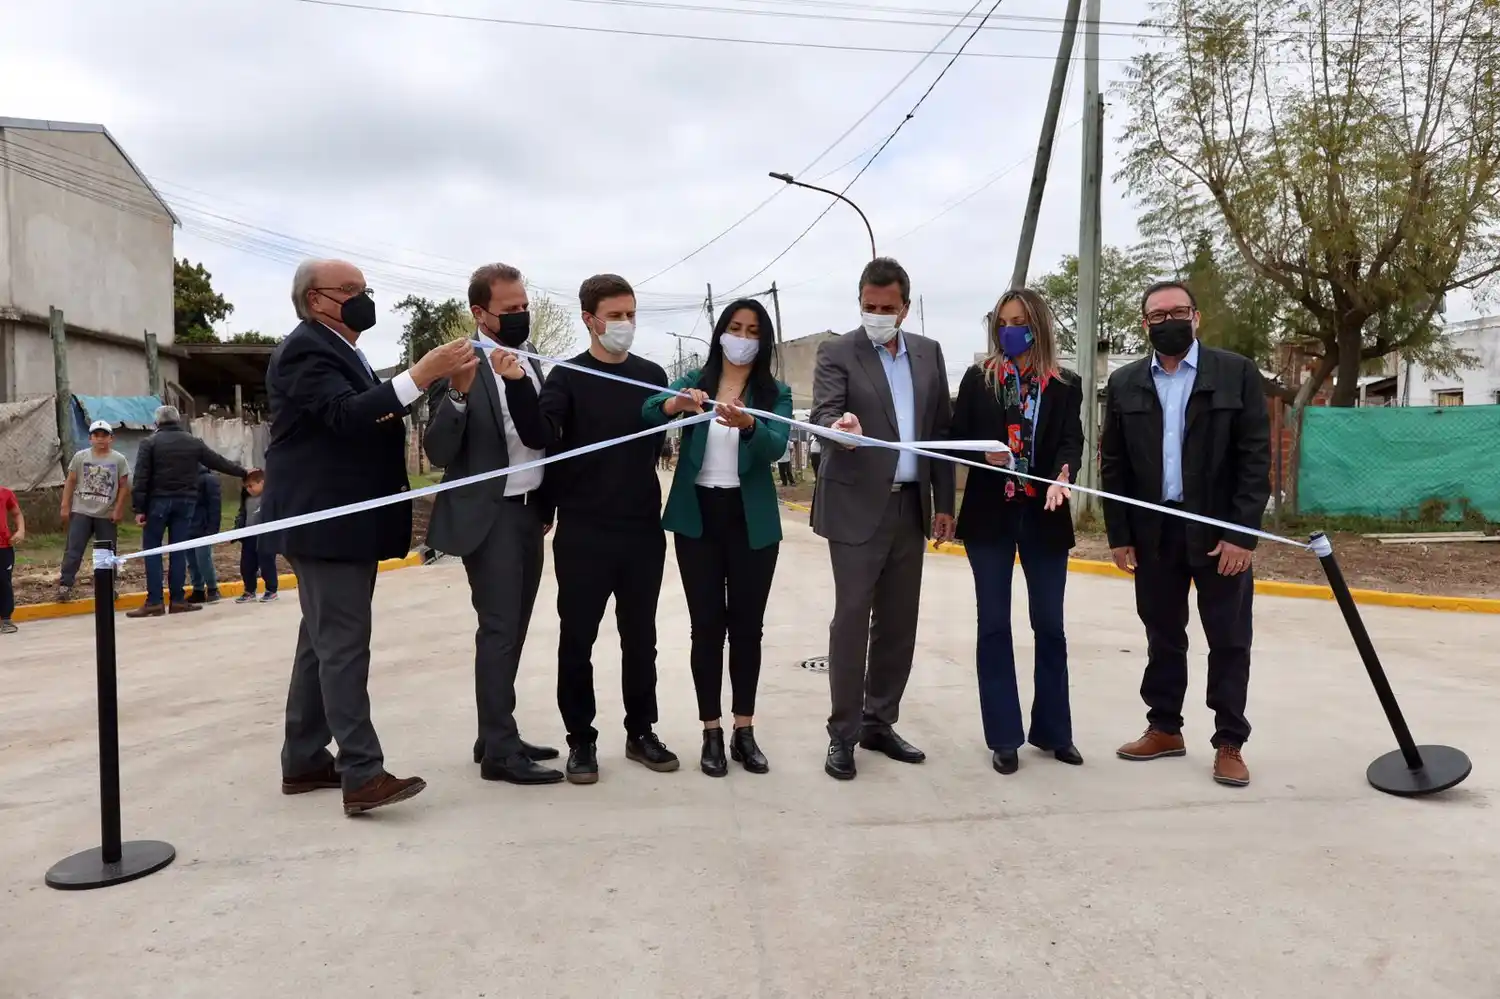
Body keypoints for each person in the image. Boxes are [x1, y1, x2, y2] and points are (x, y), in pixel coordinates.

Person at [266, 257, 477, 814]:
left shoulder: (341, 350)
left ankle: (306, 757)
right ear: (316, 299)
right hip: (327, 522)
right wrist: (421, 373)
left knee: (319, 644)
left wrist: (421, 378)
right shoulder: (307, 349)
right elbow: (347, 416)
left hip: (343, 521)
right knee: (342, 645)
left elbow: (364, 411)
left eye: (366, 289)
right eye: (351, 290)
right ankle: (361, 772)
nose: (364, 299)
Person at [502, 272, 678, 784]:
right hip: (583, 532)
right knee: (577, 638)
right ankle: (581, 739)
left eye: (631, 314)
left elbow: (656, 442)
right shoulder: (567, 378)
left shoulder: (651, 374)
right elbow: (540, 435)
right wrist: (517, 385)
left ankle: (641, 731)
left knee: (640, 637)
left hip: (642, 527)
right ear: (589, 319)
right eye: (615, 315)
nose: (625, 324)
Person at [1100, 279, 1271, 788]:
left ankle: (1229, 741)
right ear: (1145, 324)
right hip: (1154, 532)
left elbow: (1255, 457)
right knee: (1162, 633)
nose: (1167, 321)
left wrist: (1243, 533)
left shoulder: (1235, 373)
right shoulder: (1126, 382)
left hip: (1218, 530)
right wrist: (1119, 533)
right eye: (1156, 315)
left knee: (1229, 637)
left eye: (1177, 312)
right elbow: (1114, 464)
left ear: (1195, 317)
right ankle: (1164, 727)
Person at [809, 257, 955, 781]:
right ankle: (842, 734)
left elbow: (940, 431)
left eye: (886, 308)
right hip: (854, 505)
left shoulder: (929, 353)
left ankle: (879, 721)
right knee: (851, 619)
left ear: (905, 308)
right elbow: (825, 414)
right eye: (868, 306)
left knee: (898, 623)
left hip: (910, 505)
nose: (876, 315)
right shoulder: (838, 351)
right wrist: (838, 424)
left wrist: (944, 505)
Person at [422, 262, 563, 787]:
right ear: (480, 313)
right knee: (500, 629)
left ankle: (495, 733)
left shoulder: (530, 360)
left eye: (524, 305)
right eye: (511, 310)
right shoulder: (460, 361)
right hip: (492, 514)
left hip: (530, 512)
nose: (521, 315)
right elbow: (438, 451)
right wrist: (458, 392)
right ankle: (500, 753)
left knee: (516, 628)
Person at [642, 299, 793, 777]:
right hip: (699, 518)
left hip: (751, 523)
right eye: (734, 327)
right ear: (720, 332)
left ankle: (743, 730)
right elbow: (649, 410)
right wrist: (674, 403)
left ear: (762, 340)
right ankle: (710, 731)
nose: (742, 337)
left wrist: (750, 425)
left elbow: (776, 446)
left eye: (752, 330)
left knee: (748, 628)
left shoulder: (776, 393)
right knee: (706, 627)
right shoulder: (694, 383)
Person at [950, 289, 1084, 775]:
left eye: (1020, 321)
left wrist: (1064, 475)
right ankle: (1003, 736)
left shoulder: (1065, 383)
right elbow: (953, 441)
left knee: (1049, 625)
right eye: (1003, 321)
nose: (1011, 329)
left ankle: (1054, 732)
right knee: (994, 625)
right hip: (990, 517)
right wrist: (978, 455)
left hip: (1044, 518)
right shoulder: (977, 379)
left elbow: (1072, 440)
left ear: (1038, 325)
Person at [126, 405, 251, 618]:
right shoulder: (193, 442)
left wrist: (139, 508)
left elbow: (141, 477)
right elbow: (217, 461)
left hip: (157, 503)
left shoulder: (150, 443)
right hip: (185, 503)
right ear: (178, 421)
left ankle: (154, 602)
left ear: (157, 423)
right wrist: (244, 472)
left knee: (153, 551)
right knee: (179, 551)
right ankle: (177, 600)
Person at [56, 420, 130, 601]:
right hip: (81, 511)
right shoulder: (80, 457)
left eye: (104, 435)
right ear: (90, 438)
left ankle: (107, 588)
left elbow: (123, 487)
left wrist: (118, 509)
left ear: (111, 438)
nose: (100, 439)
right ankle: (65, 585)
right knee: (73, 550)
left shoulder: (118, 459)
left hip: (106, 514)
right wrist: (65, 505)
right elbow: (71, 481)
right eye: (96, 435)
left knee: (107, 553)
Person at [234, 470, 278, 603]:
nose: (248, 489)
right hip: (249, 536)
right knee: (246, 565)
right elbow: (242, 514)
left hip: (265, 536)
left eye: (251, 486)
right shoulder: (246, 499)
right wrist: (238, 527)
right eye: (246, 487)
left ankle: (271, 590)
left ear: (262, 482)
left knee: (266, 563)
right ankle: (249, 590)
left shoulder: (270, 497)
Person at [186, 465, 223, 604]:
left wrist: (212, 529)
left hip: (203, 528)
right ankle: (198, 590)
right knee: (191, 562)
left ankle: (213, 588)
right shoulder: (183, 478)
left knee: (203, 559)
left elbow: (215, 505)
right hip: (187, 527)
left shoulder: (209, 479)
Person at [0, 485, 21, 634]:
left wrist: (21, 530)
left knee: (3, 582)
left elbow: (17, 513)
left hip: (3, 547)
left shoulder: (5, 493)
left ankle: (6, 619)